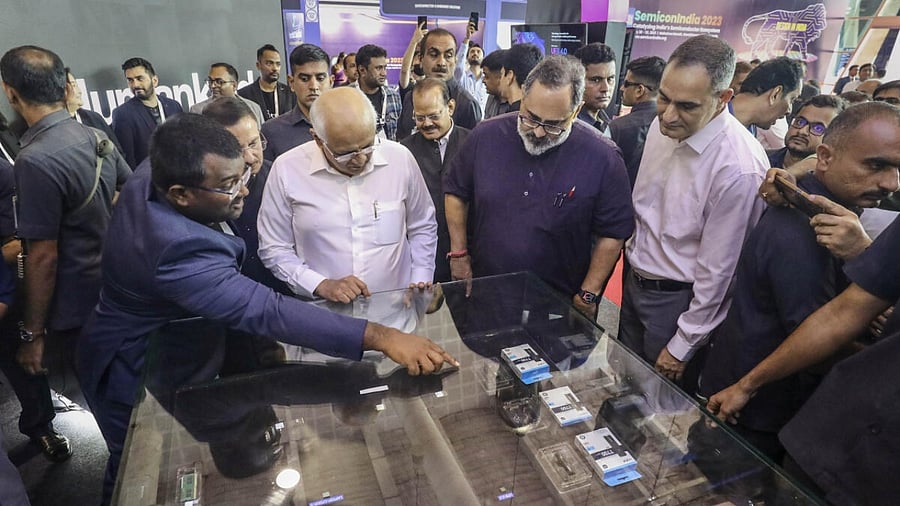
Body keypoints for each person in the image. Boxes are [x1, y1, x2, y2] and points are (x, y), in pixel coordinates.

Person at [77, 113, 457, 505]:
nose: (244, 190)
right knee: (133, 473)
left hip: (189, 342)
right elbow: (269, 311)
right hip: (138, 365)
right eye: (228, 185)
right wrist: (382, 337)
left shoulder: (163, 163)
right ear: (181, 193)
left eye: (242, 174)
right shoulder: (176, 249)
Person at [699, 102, 900, 462]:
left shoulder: (818, 205)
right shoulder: (803, 231)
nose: (890, 182)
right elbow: (821, 342)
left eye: (898, 168)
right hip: (760, 411)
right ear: (824, 157)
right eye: (875, 165)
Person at [618, 35, 769, 388]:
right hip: (633, 283)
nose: (668, 116)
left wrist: (683, 343)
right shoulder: (661, 126)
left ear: (723, 99)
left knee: (660, 409)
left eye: (686, 106)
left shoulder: (738, 168)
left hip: (678, 304)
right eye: (664, 99)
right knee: (622, 386)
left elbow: (721, 272)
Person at [0, 45, 129, 459]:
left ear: (11, 93)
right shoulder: (94, 135)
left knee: (110, 411)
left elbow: (43, 256)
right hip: (116, 291)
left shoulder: (34, 159)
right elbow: (128, 193)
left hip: (76, 311)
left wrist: (32, 334)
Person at [444, 55, 634, 316]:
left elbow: (613, 233)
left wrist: (588, 294)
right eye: (530, 118)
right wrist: (459, 254)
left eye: (554, 124)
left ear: (576, 110)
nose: (539, 132)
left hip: (558, 303)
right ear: (523, 95)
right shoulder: (485, 137)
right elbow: (456, 192)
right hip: (487, 291)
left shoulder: (603, 157)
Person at [258, 87, 437, 301]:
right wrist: (319, 284)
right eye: (345, 153)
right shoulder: (287, 170)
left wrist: (419, 278)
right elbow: (274, 247)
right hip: (327, 318)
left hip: (396, 311)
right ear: (317, 139)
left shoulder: (400, 160)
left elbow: (422, 225)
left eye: (368, 146)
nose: (359, 159)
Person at [401, 78, 471, 283]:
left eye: (433, 116)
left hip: (467, 253)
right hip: (422, 257)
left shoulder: (473, 143)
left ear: (450, 107)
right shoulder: (404, 151)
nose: (427, 124)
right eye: (420, 118)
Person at [397, 28, 482, 139]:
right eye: (434, 54)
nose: (441, 63)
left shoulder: (467, 105)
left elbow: (475, 150)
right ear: (421, 60)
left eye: (448, 56)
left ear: (455, 61)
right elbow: (402, 138)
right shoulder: (411, 97)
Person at [261, 44, 332, 161]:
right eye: (304, 79)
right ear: (291, 82)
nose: (314, 86)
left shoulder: (348, 126)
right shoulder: (271, 132)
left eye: (320, 78)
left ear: (331, 81)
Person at [112, 57, 183, 168]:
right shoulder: (122, 114)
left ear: (154, 81)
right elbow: (127, 160)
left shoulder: (174, 106)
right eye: (130, 80)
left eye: (140, 78)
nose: (135, 85)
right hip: (148, 180)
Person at [609, 56, 666, 188]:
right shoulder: (673, 127)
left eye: (626, 83)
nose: (622, 88)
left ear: (640, 90)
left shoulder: (616, 128)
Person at [767, 94, 845, 171]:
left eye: (817, 128)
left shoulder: (827, 180)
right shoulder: (763, 158)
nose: (802, 131)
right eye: (800, 122)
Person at [729, 56, 803, 134]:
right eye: (792, 99)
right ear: (775, 94)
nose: (789, 111)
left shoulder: (750, 130)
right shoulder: (716, 116)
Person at [64, 68, 123, 155]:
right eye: (73, 85)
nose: (79, 91)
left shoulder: (94, 118)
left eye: (76, 85)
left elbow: (118, 152)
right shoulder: (55, 129)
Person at [190, 62, 264, 126]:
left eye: (219, 82)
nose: (212, 86)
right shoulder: (197, 111)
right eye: (210, 81)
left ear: (234, 85)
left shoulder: (253, 108)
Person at [237, 44, 296, 121]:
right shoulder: (244, 94)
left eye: (278, 64)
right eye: (269, 63)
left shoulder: (290, 93)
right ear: (258, 65)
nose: (275, 68)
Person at [355, 44, 401, 141]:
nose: (384, 73)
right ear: (362, 70)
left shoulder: (393, 95)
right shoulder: (347, 98)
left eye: (385, 68)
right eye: (378, 68)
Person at [573, 42, 617, 136]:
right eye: (596, 80)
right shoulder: (569, 129)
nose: (605, 88)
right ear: (577, 81)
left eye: (610, 79)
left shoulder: (608, 123)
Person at [491, 43, 543, 114]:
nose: (500, 81)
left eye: (501, 74)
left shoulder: (503, 122)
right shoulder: (543, 116)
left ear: (510, 76)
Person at [455, 22, 488, 111]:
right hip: (464, 122)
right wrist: (467, 38)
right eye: (472, 52)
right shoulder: (461, 77)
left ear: (483, 58)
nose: (475, 54)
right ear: (467, 57)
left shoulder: (487, 80)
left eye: (478, 52)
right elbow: (458, 66)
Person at [481, 49, 509, 119]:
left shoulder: (518, 105)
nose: (483, 81)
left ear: (501, 75)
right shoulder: (491, 98)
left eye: (487, 76)